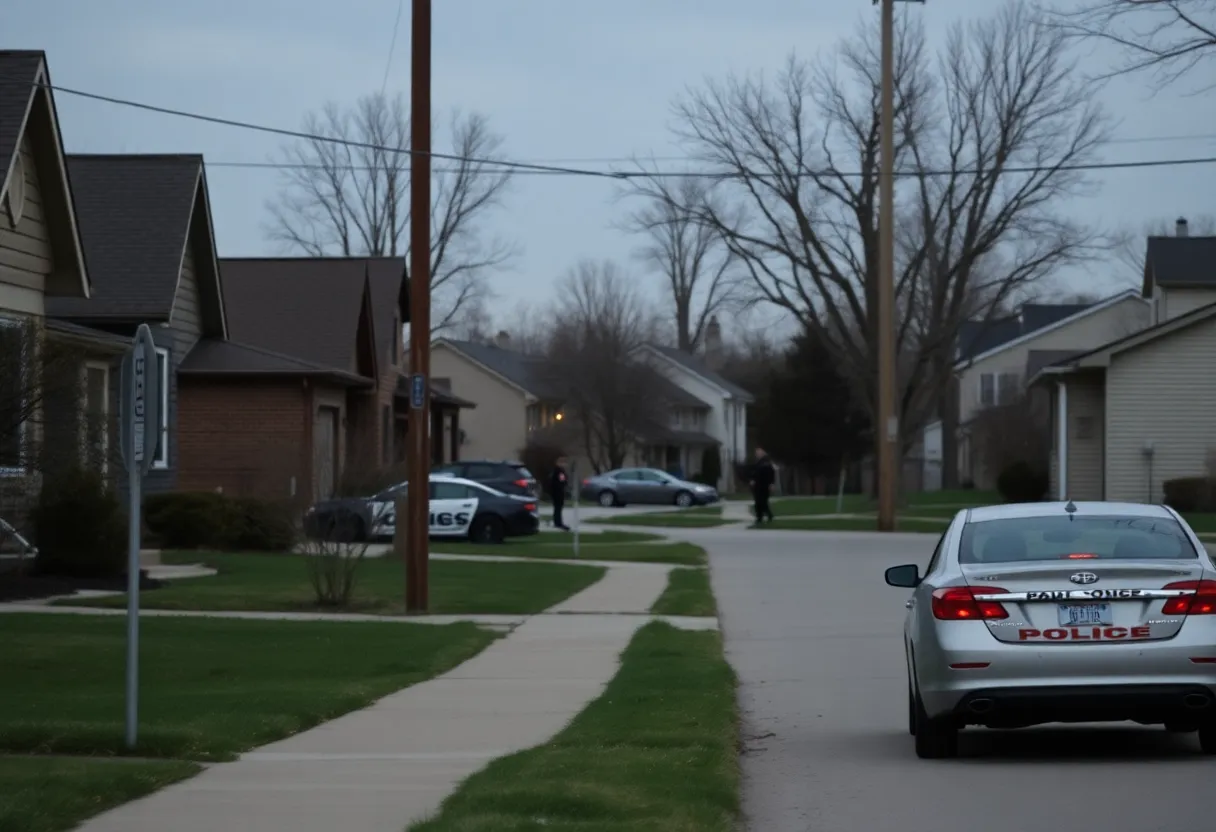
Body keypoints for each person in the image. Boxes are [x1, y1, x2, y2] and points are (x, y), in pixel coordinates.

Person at [749, 447, 776, 526]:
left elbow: (771, 473)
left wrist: (771, 483)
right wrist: (752, 480)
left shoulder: (766, 462)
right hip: (758, 485)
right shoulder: (758, 463)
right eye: (757, 453)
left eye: (759, 453)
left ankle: (766, 516)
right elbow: (755, 473)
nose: (757, 454)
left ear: (763, 453)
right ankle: (760, 517)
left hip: (764, 485)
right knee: (758, 502)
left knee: (762, 502)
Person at [550, 456, 571, 531]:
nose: (565, 465)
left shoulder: (556, 471)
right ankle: (558, 522)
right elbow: (561, 481)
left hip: (556, 492)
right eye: (564, 463)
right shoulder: (559, 471)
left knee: (557, 508)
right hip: (558, 492)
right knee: (558, 508)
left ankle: (557, 522)